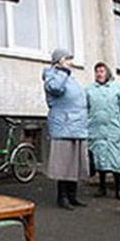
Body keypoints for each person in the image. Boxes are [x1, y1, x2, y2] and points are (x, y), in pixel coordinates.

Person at [42, 48, 89, 210]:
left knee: (74, 163)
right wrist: (62, 71)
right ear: (60, 60)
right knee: (64, 164)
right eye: (68, 58)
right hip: (64, 125)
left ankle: (72, 196)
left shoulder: (68, 76)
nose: (71, 62)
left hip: (77, 125)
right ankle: (62, 198)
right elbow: (55, 89)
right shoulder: (53, 75)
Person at [86, 62, 120, 200]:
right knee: (99, 159)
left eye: (102, 71)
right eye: (97, 71)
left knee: (116, 159)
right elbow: (84, 108)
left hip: (113, 129)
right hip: (96, 129)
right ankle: (102, 187)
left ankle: (118, 189)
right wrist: (87, 122)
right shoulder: (89, 90)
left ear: (107, 73)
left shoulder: (118, 88)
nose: (99, 74)